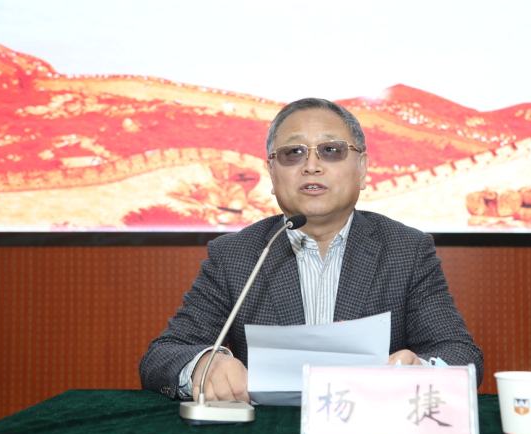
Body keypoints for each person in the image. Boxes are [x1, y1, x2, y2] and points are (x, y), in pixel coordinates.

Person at [139, 98, 484, 402]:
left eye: (331, 150)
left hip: (368, 431)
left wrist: (420, 368)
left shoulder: (405, 250)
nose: (311, 166)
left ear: (362, 168)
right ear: (272, 173)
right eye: (293, 153)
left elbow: (460, 353)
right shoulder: (237, 254)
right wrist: (204, 364)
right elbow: (162, 355)